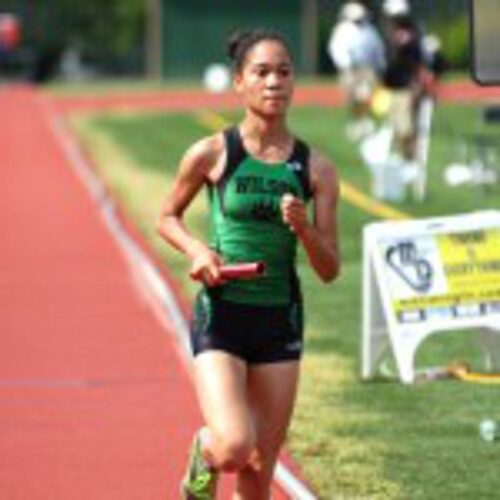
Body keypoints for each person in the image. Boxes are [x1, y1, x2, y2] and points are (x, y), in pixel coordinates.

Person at [156, 29, 340, 500]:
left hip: (279, 318)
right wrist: (198, 252)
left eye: (284, 71)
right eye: (261, 72)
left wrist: (303, 228)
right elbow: (167, 218)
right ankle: (206, 449)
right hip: (223, 315)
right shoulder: (213, 153)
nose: (274, 82)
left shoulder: (315, 169)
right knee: (235, 446)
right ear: (239, 82)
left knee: (260, 470)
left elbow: (329, 268)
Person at [380, 0, 435, 161]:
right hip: (393, 87)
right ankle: (405, 160)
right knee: (397, 128)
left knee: (406, 128)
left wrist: (418, 84)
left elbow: (420, 63)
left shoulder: (413, 35)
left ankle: (411, 160)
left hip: (407, 88)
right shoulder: (392, 34)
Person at [327, 1, 386, 141]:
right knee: (352, 97)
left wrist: (380, 65)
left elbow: (377, 48)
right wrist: (345, 64)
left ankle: (365, 122)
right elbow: (336, 49)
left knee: (365, 96)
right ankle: (356, 121)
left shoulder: (369, 30)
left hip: (367, 68)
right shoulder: (342, 29)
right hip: (349, 69)